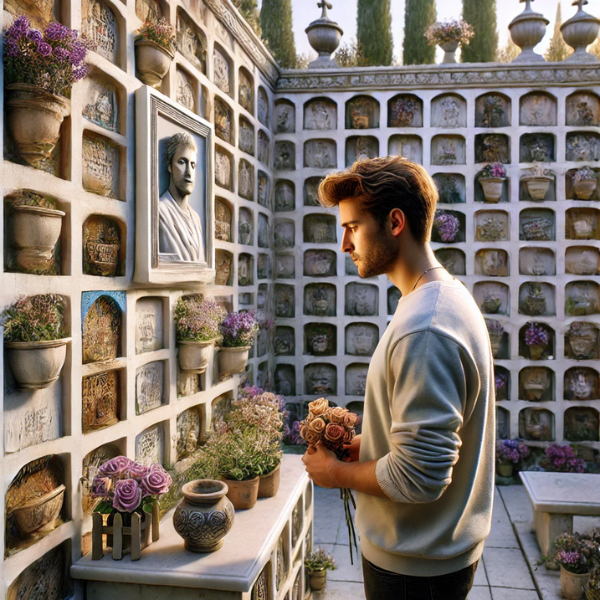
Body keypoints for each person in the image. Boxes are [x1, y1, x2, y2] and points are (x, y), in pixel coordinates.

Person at [302, 156, 495, 600]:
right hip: (431, 557)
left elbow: (421, 475)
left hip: (415, 569)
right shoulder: (439, 297)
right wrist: (363, 448)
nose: (344, 244)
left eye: (352, 226)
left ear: (394, 222)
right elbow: (426, 438)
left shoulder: (425, 327)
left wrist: (334, 473)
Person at [159, 132, 205, 263]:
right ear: (169, 165)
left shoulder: (195, 219)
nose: (189, 172)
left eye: (193, 165)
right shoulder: (160, 212)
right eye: (182, 162)